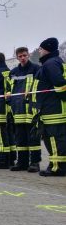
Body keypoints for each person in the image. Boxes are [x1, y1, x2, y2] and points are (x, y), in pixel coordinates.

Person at [32, 38, 66, 176]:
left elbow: (59, 84)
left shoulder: (50, 63)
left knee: (53, 139)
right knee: (57, 139)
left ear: (47, 49)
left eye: (40, 49)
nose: (39, 51)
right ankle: (57, 165)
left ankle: (57, 167)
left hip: (53, 110)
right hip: (54, 108)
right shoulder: (55, 62)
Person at [9, 47, 41, 172]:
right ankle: (22, 162)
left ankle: (34, 163)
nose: (23, 58)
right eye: (20, 56)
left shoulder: (36, 69)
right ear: (17, 57)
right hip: (17, 109)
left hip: (31, 109)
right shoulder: (14, 72)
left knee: (33, 137)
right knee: (20, 138)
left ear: (28, 55)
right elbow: (10, 88)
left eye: (25, 55)